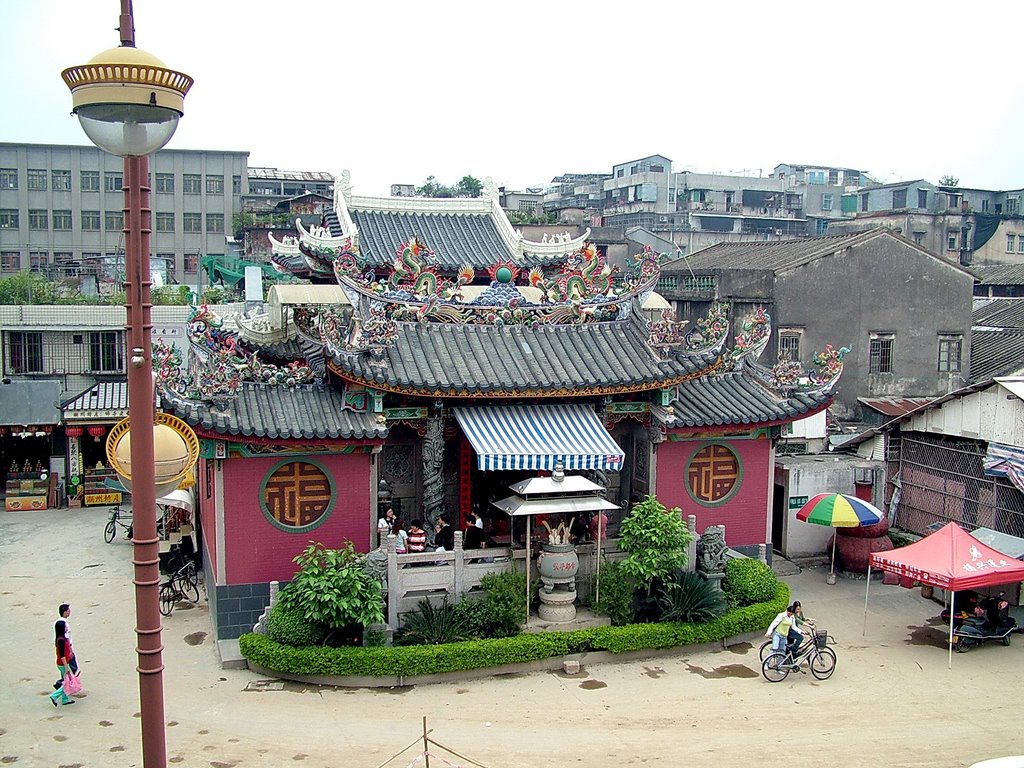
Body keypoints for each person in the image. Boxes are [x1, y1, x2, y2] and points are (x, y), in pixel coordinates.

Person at [49, 620, 75, 707]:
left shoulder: (60, 638)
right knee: (67, 683)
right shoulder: (61, 640)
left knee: (65, 681)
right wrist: (66, 667)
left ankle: (65, 699)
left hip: (61, 663)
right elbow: (62, 655)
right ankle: (54, 696)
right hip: (63, 663)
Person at [53, 603, 78, 690]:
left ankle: (64, 684)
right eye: (68, 610)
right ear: (64, 612)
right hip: (66, 648)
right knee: (73, 668)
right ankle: (62, 684)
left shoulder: (57, 622)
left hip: (63, 648)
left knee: (66, 670)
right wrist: (70, 650)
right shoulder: (64, 624)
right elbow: (67, 638)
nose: (69, 612)